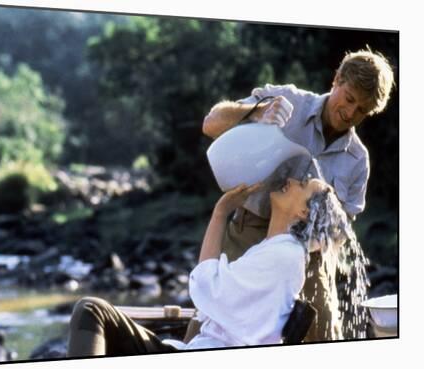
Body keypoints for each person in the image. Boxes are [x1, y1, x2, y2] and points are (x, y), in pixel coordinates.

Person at [194, 47, 395, 342]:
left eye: (362, 110)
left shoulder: (357, 160)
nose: (351, 113)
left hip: (306, 253)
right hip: (250, 230)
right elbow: (211, 124)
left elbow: (340, 231)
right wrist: (257, 112)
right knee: (207, 319)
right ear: (336, 80)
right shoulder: (287, 102)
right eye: (349, 99)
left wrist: (303, 247)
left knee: (325, 333)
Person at [67, 177, 349, 357]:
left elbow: (206, 287)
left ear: (304, 212)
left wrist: (220, 213)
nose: (292, 179)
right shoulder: (276, 251)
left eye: (302, 185)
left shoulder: (284, 257)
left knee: (91, 311)